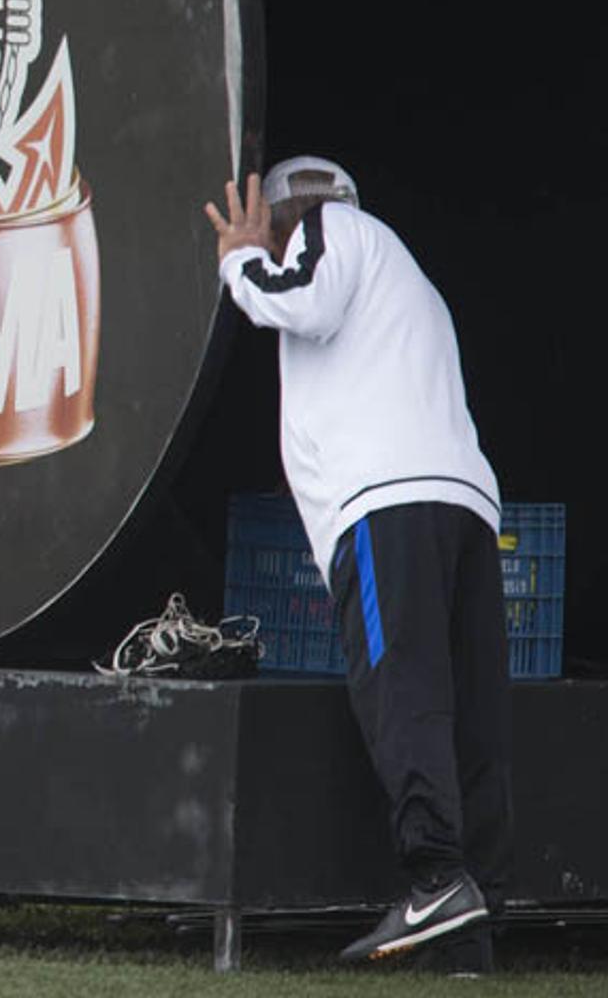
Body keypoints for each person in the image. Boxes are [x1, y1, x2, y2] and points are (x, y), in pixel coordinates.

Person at [205, 156, 510, 969]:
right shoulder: (398, 275)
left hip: (390, 502)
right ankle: (463, 922)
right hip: (460, 502)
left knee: (401, 689)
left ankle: (435, 874)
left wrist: (240, 257)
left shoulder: (337, 234)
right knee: (462, 706)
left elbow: (294, 295)